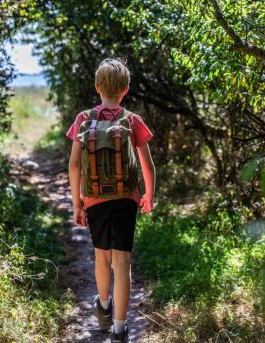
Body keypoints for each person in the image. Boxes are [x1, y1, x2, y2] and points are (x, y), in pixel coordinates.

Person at [66, 58, 156, 342]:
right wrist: (149, 195)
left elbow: (74, 166)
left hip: (94, 199)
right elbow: (148, 165)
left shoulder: (83, 119)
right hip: (126, 199)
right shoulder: (132, 120)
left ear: (96, 87)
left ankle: (103, 306)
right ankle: (119, 329)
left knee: (102, 257)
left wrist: (77, 202)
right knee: (123, 262)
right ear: (125, 90)